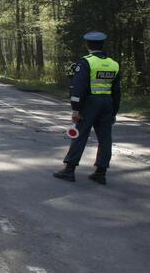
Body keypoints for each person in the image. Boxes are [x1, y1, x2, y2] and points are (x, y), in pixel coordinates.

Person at [54, 31, 121, 185]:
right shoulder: (113, 64)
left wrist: (76, 109)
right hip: (107, 103)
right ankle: (101, 172)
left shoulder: (86, 62)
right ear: (102, 45)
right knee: (105, 138)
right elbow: (117, 91)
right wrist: (114, 112)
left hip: (90, 103)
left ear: (87, 45)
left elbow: (78, 88)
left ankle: (69, 170)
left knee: (80, 135)